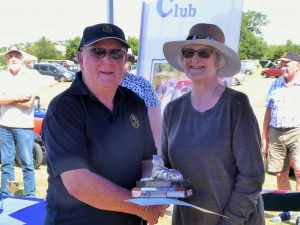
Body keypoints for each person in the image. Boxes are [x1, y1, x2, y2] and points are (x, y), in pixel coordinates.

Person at [41, 23, 166, 225]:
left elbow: (148, 160)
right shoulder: (64, 108)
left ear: (125, 59)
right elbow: (78, 184)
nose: (108, 60)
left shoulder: (135, 102)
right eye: (98, 52)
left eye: (116, 53)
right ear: (81, 59)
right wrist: (140, 206)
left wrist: (151, 189)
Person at [161, 23, 265, 224]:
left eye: (205, 52)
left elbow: (251, 176)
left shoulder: (236, 105)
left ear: (219, 60)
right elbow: (166, 170)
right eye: (188, 52)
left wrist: (230, 221)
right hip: (188, 219)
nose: (195, 58)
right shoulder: (173, 110)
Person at [261, 51, 300, 224]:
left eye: (287, 64)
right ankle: (287, 211)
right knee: (280, 173)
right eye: (281, 64)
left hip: (297, 131)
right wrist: (264, 135)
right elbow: (268, 110)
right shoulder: (275, 84)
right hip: (276, 132)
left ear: (298, 65)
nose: (282, 67)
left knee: (299, 172)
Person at [0, 45, 37, 197]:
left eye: (16, 55)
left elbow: (28, 103)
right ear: (6, 59)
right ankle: (8, 194)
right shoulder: (2, 75)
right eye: (10, 56)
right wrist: (18, 97)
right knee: (7, 164)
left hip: (24, 126)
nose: (13, 58)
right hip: (4, 125)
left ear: (22, 58)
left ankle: (30, 196)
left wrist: (6, 98)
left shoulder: (31, 74)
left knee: (27, 164)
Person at [121, 55, 162, 154]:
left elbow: (157, 134)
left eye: (116, 53)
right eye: (100, 52)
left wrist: (156, 164)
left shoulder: (141, 84)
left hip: (136, 161)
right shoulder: (87, 86)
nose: (108, 59)